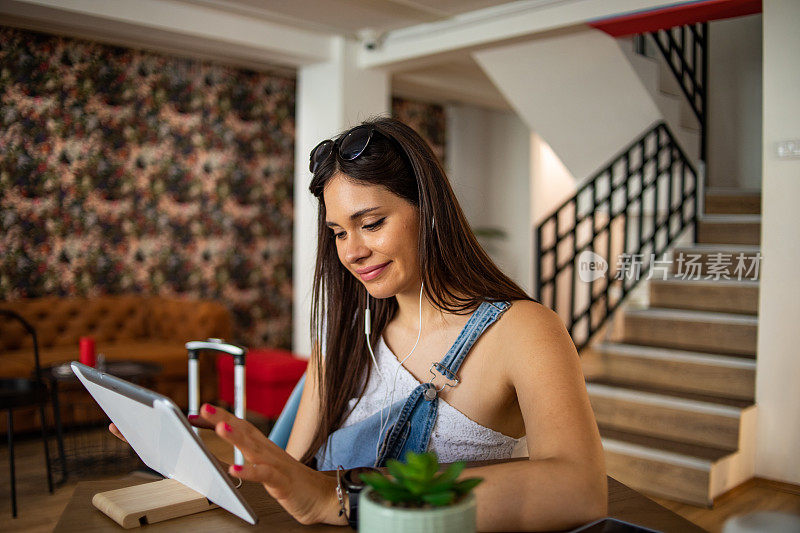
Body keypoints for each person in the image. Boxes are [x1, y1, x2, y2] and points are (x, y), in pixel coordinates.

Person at [112, 116, 606, 530]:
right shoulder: (344, 334)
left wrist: (342, 499)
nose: (351, 251)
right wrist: (181, 445)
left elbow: (579, 489)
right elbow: (296, 471)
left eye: (371, 224)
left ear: (430, 211)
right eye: (337, 232)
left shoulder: (523, 331)